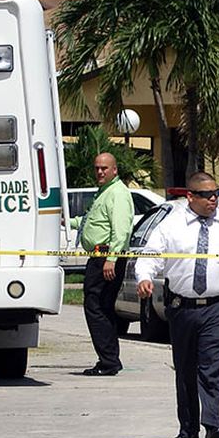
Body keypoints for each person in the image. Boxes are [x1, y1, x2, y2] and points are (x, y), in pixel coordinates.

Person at [135, 172, 219, 438]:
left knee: (210, 367)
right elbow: (150, 255)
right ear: (190, 196)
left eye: (216, 193)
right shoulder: (171, 225)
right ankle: (188, 428)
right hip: (181, 307)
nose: (213, 199)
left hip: (218, 308)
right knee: (185, 369)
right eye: (206, 194)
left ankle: (213, 425)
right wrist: (144, 277)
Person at [69, 152, 134, 376]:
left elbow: (121, 230)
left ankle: (109, 361)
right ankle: (109, 359)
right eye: (97, 168)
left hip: (106, 257)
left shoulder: (118, 193)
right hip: (99, 257)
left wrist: (111, 259)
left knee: (96, 308)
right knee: (100, 308)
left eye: (104, 168)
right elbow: (91, 220)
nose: (99, 172)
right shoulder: (103, 193)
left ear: (115, 170)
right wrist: (68, 221)